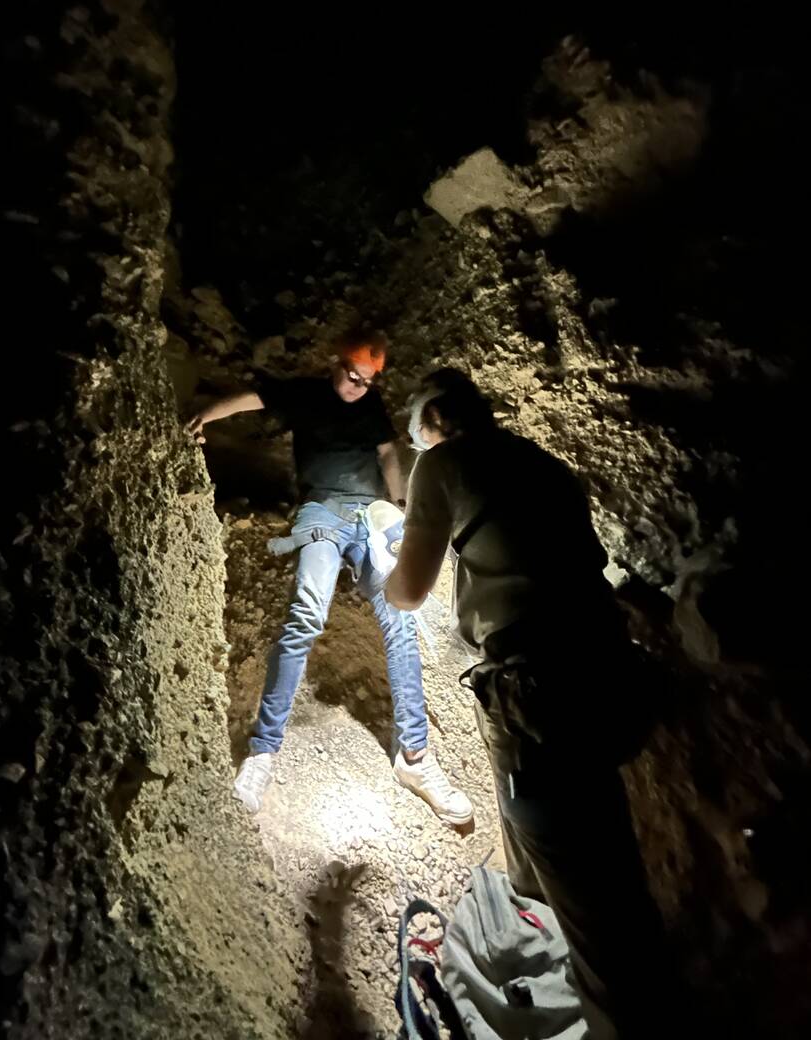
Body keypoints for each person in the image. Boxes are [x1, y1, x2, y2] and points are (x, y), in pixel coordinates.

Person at [385, 369, 673, 1040]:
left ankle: (630, 1016)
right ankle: (537, 911)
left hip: (543, 689)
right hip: (605, 668)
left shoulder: (440, 464)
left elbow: (408, 591)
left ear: (432, 425)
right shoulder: (539, 461)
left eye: (418, 432)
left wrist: (394, 550)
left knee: (598, 895)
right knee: (581, 831)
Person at [187, 332, 472, 825]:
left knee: (400, 617)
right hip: (321, 512)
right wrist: (204, 416)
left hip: (372, 515)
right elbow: (251, 400)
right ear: (334, 363)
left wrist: (399, 505)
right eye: (351, 375)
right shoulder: (303, 393)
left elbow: (387, 454)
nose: (357, 386)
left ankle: (415, 759)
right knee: (306, 614)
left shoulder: (372, 405)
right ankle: (263, 752)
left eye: (366, 382)